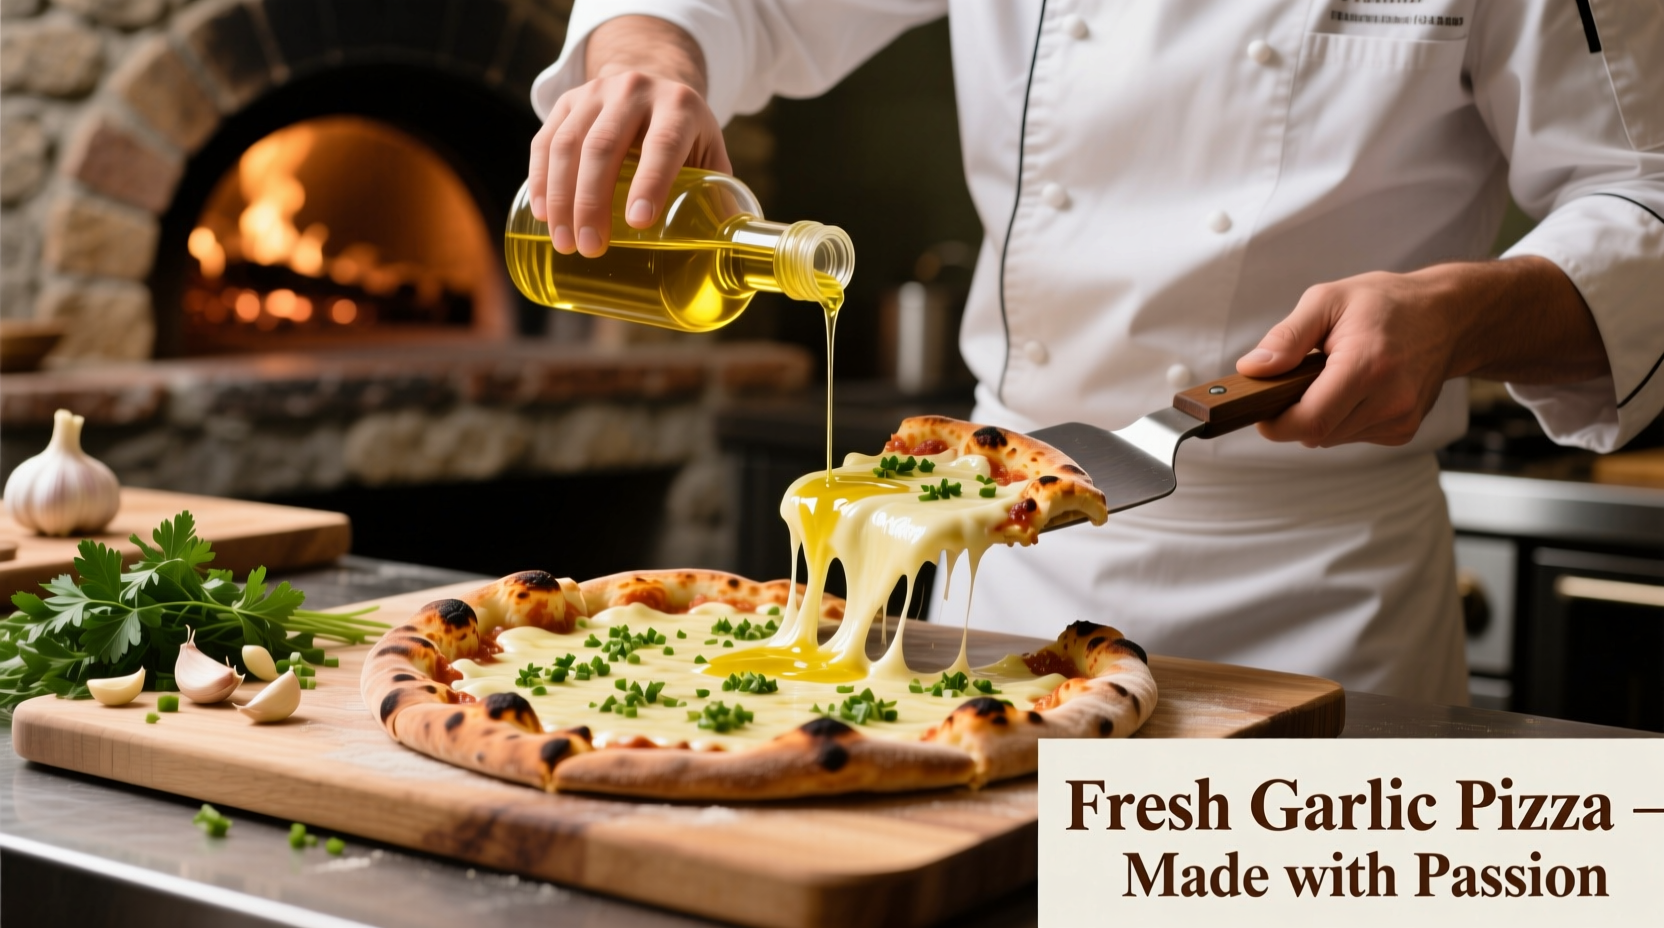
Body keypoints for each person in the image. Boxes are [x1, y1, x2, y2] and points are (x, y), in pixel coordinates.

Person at [527, 3, 1664, 703]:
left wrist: (1464, 311)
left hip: (1318, 600)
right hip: (1009, 565)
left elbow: (1646, 198)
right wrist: (650, 57)